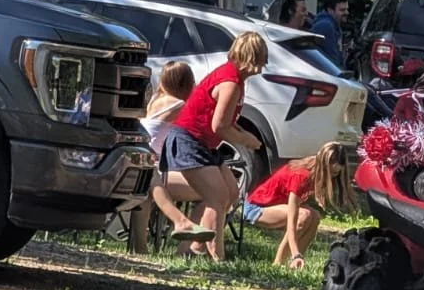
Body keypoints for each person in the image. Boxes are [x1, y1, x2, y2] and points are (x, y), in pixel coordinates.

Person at [161, 30, 268, 261]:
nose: (259, 69)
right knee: (217, 196)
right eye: (257, 62)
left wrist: (243, 132)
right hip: (188, 140)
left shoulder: (235, 80)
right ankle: (217, 256)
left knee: (230, 192)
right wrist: (246, 141)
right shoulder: (230, 83)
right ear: (248, 58)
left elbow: (228, 122)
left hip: (204, 144)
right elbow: (219, 126)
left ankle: (190, 250)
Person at [130, 62, 215, 250]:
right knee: (212, 193)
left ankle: (141, 248)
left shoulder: (155, 99)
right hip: (148, 167)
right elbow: (200, 123)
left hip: (138, 164)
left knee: (145, 189)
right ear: (186, 83)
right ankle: (185, 247)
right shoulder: (179, 105)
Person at [243, 142, 356, 268]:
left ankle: (295, 264)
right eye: (330, 172)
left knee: (315, 217)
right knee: (304, 216)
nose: (332, 176)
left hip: (277, 207)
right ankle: (278, 264)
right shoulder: (301, 176)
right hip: (254, 209)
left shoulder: (315, 171)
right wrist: (295, 253)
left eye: (336, 174)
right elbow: (293, 220)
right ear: (322, 165)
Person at [310, 0, 349, 68]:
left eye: (347, 9)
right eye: (342, 10)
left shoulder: (334, 24)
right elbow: (332, 58)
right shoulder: (326, 26)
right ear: (330, 10)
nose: (347, 13)